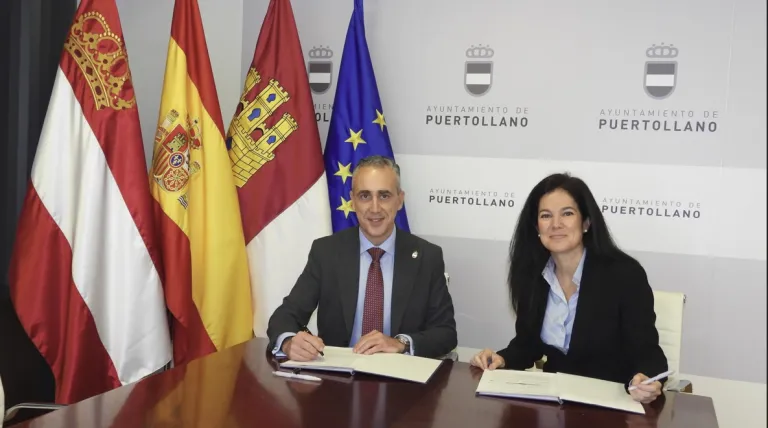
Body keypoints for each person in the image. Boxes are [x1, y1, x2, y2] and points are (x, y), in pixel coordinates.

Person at [470, 172, 668, 404]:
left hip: (611, 403)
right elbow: (527, 345)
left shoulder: (624, 275)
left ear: (586, 222)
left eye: (567, 213)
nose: (556, 224)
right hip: (554, 402)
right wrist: (500, 358)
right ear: (536, 226)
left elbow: (649, 355)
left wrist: (646, 380)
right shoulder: (533, 274)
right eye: (546, 216)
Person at [266, 155, 457, 360]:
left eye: (384, 196)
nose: (375, 208)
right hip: (338, 380)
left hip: (402, 382)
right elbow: (285, 316)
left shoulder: (427, 257)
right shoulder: (327, 252)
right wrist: (288, 342)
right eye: (365, 196)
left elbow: (446, 333)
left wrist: (400, 343)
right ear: (353, 201)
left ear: (400, 200)